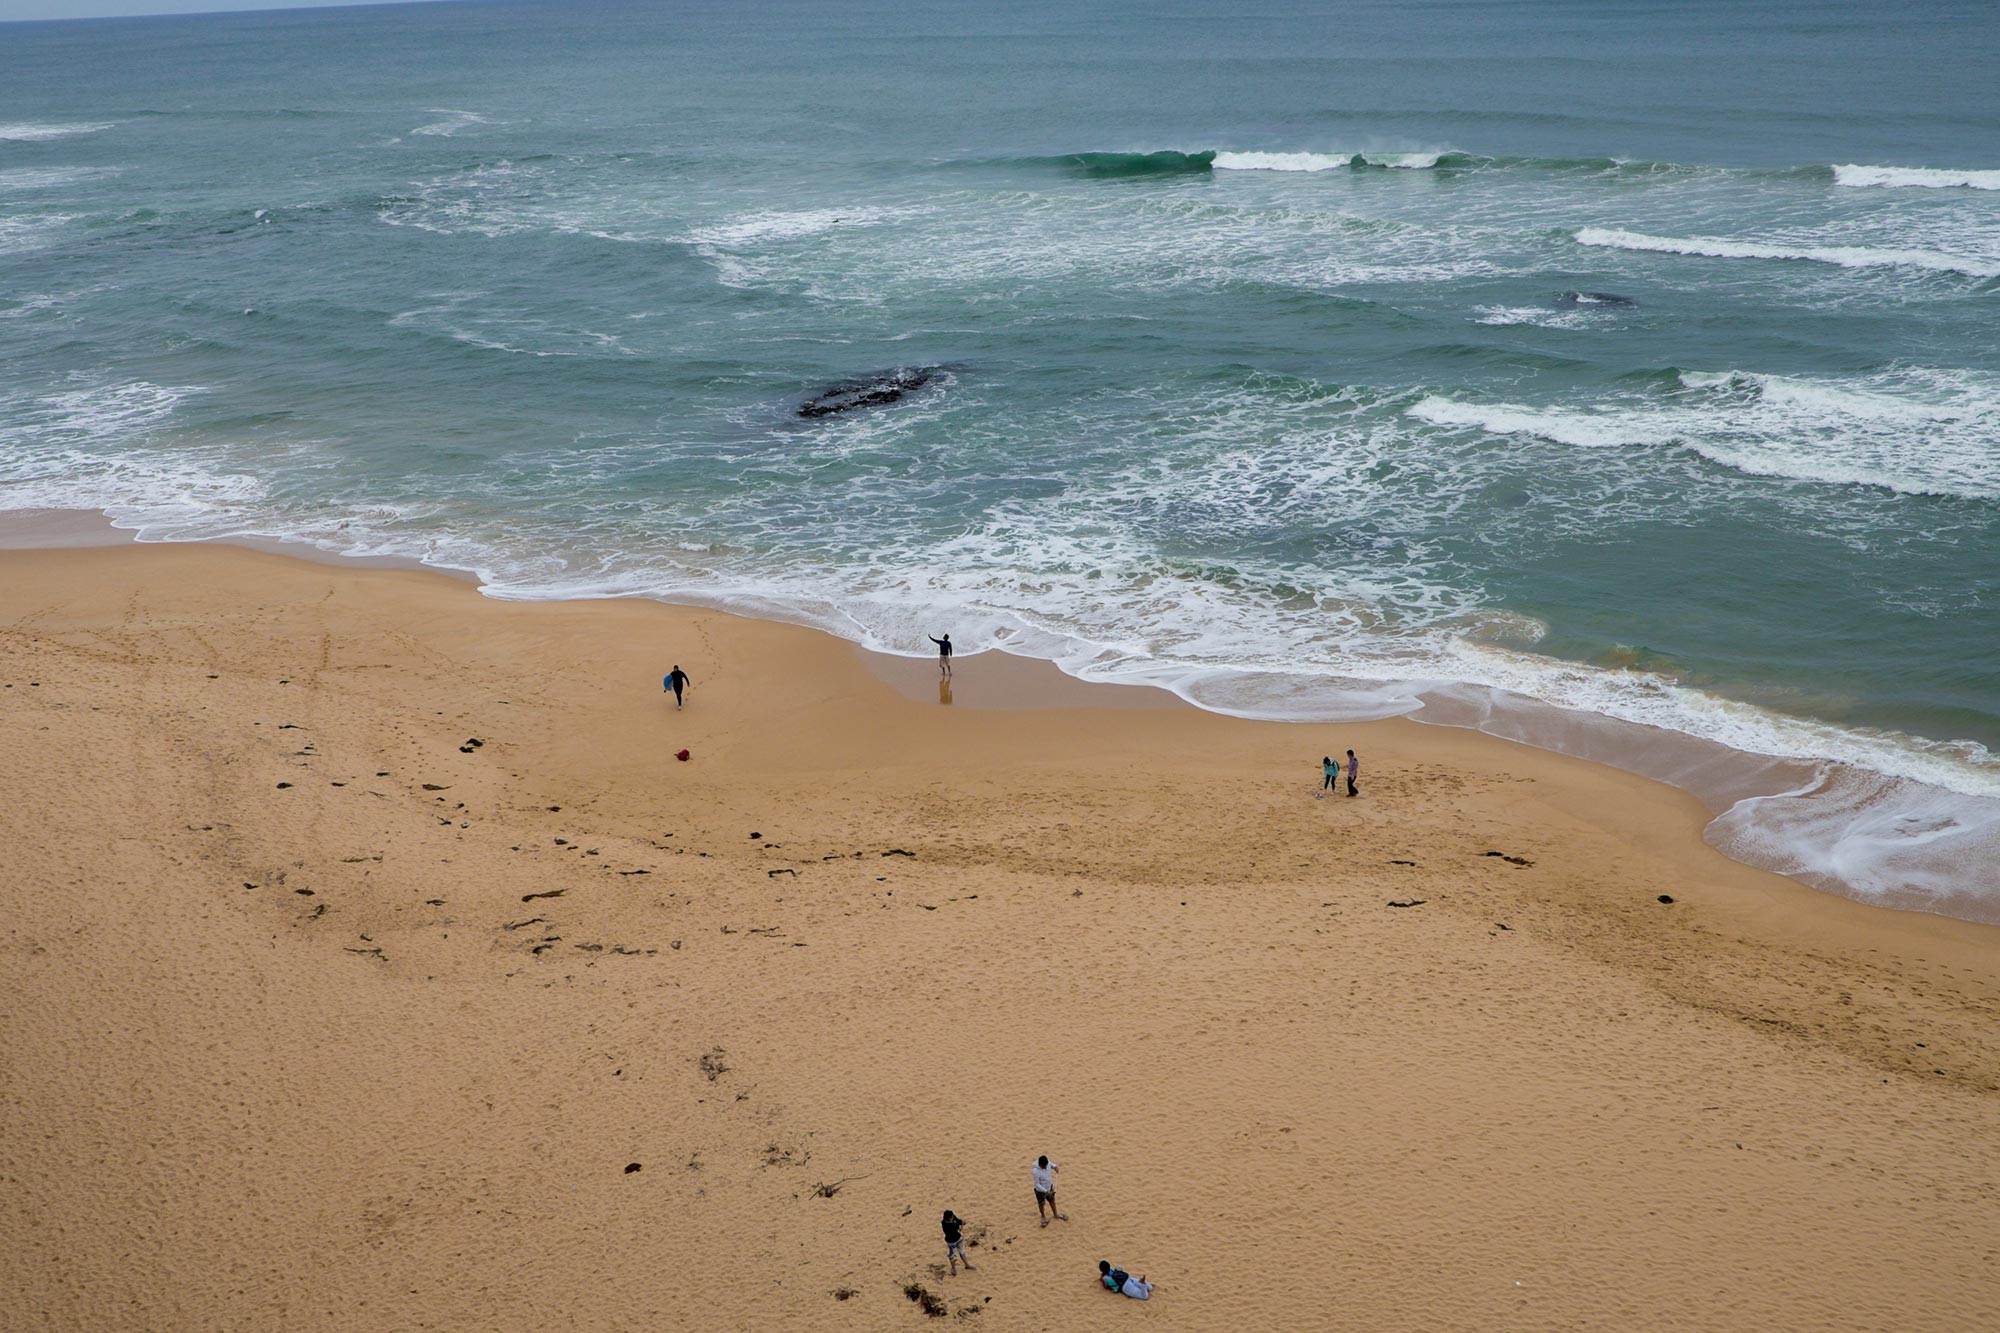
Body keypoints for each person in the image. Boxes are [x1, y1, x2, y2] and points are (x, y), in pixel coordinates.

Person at [1032, 1155, 1066, 1227]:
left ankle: (1056, 1214)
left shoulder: (1047, 1163)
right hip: (1040, 1191)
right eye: (1044, 1166)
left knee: (1052, 1201)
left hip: (1049, 1187)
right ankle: (1043, 1217)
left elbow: (1051, 1165)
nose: (1046, 1167)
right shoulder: (1035, 1171)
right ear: (1040, 1164)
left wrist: (1055, 1167)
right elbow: (1037, 1184)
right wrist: (1046, 1191)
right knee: (1041, 1203)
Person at [942, 1210, 975, 1275]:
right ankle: (953, 1268)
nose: (952, 1217)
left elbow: (957, 1219)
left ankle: (967, 1265)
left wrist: (960, 1221)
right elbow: (960, 1229)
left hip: (958, 1239)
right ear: (948, 1219)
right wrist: (962, 1223)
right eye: (951, 1217)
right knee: (952, 1255)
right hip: (951, 1242)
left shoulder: (947, 1220)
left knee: (962, 1252)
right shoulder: (948, 1225)